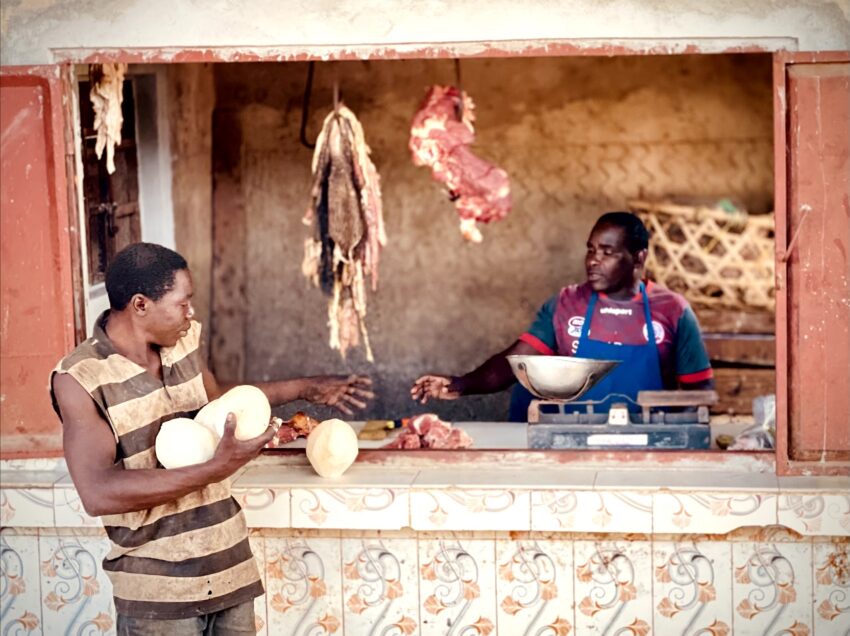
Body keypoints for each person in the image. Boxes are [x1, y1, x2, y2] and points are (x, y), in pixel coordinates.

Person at [50, 242, 373, 634]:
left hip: (229, 572)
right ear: (140, 305)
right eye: (182, 303)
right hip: (159, 598)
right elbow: (99, 492)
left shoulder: (182, 343)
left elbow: (219, 408)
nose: (191, 313)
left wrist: (302, 388)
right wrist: (215, 468)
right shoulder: (81, 378)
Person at [411, 211, 713, 420]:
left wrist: (669, 444)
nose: (593, 260)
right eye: (591, 250)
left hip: (645, 452)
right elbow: (513, 365)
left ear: (639, 258)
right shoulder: (567, 303)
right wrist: (460, 385)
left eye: (607, 252)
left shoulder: (672, 310)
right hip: (570, 443)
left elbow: (698, 393)